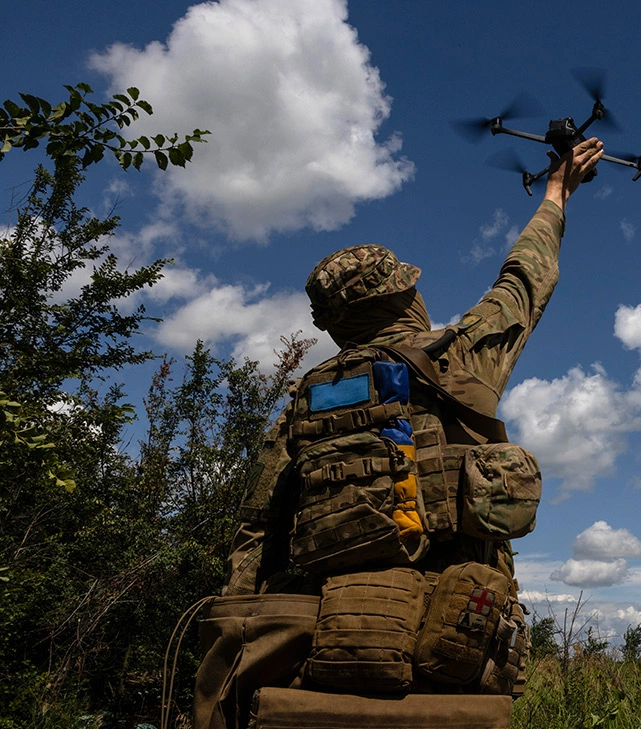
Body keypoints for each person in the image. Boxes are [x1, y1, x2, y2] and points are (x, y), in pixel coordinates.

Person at [191, 138, 604, 729]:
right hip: (452, 643)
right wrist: (557, 194)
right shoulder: (457, 362)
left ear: (335, 325)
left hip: (327, 646)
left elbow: (254, 538)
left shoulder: (299, 408)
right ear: (404, 296)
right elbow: (525, 281)